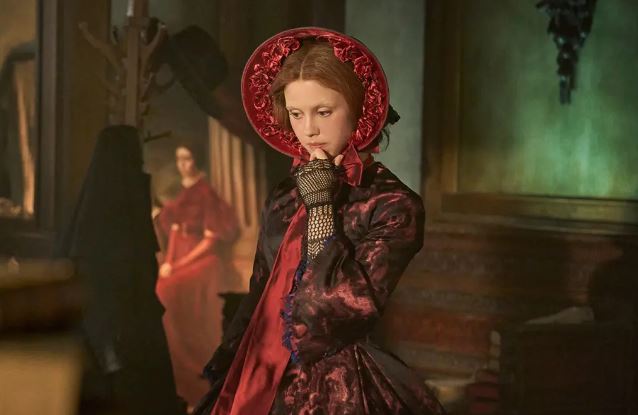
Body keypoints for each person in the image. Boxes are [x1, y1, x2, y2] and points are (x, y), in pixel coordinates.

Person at [195, 27, 446, 415]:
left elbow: (332, 309)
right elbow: (260, 291)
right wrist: (233, 368)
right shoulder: (285, 194)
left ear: (358, 109)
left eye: (323, 112)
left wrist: (321, 205)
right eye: (296, 114)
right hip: (257, 371)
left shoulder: (393, 204)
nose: (308, 129)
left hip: (333, 382)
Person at [55, 125, 183, 415]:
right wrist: (113, 348)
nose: (141, 170)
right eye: (136, 161)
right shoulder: (107, 217)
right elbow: (103, 288)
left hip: (132, 330)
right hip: (116, 339)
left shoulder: (116, 207)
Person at [155, 143, 239, 409]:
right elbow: (174, 235)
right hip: (179, 257)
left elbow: (209, 242)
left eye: (187, 158)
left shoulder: (205, 193)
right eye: (179, 159)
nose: (182, 164)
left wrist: (178, 264)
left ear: (196, 160)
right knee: (161, 287)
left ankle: (193, 372)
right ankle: (176, 375)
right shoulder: (183, 192)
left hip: (202, 259)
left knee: (167, 291)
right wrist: (169, 262)